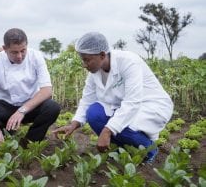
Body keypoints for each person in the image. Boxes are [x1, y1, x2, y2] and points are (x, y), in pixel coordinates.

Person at [53, 32, 173, 163]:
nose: (84, 64)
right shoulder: (95, 71)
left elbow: (132, 102)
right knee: (93, 113)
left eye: (87, 60)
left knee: (124, 126)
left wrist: (107, 131)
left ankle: (149, 150)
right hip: (122, 107)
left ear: (102, 55)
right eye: (83, 60)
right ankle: (120, 150)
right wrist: (73, 125)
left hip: (151, 105)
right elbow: (87, 100)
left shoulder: (129, 62)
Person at [0, 28, 61, 146]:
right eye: (14, 52)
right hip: (5, 105)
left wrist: (22, 110)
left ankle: (30, 141)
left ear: (27, 45)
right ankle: (5, 131)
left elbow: (47, 91)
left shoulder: (36, 57)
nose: (20, 56)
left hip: (30, 106)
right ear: (4, 49)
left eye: (23, 50)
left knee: (52, 107)